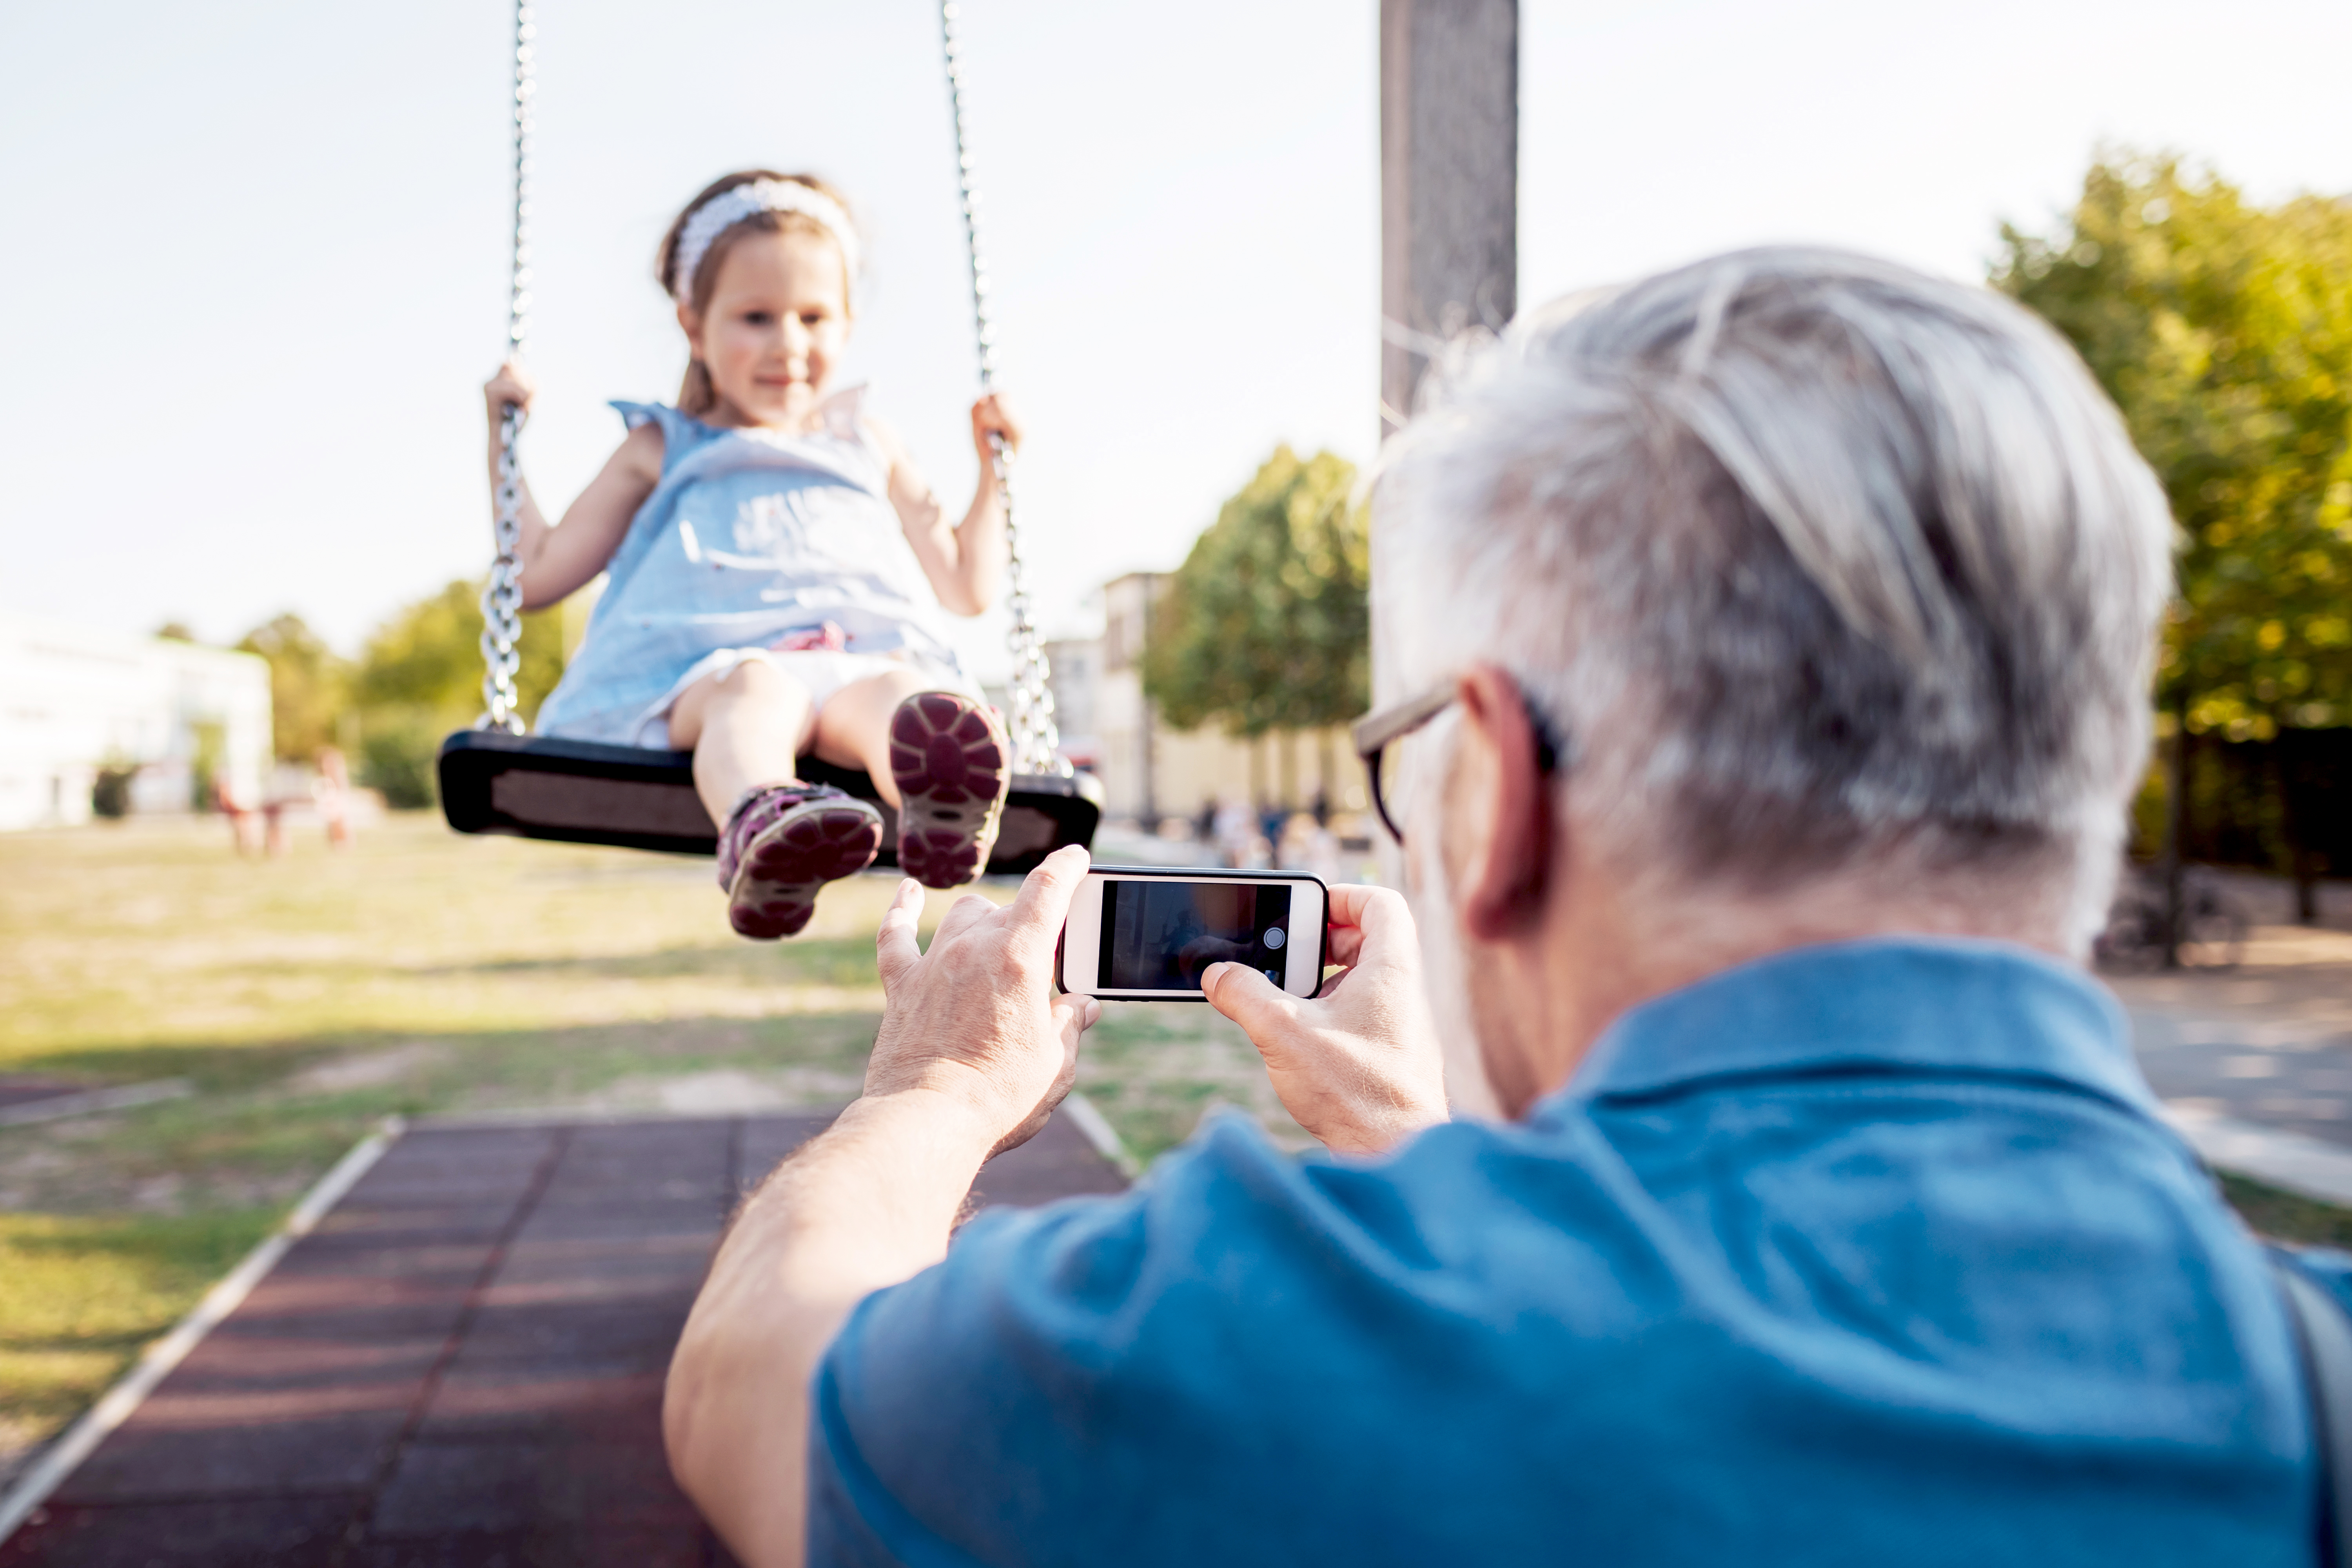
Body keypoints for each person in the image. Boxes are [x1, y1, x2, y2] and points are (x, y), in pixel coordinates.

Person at [664, 250, 2325, 1566]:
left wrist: (936, 1091)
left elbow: (755, 1384)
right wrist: (1428, 1150)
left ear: (1506, 801)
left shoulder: (1233, 1350)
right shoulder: (2307, 1379)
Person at [485, 171, 1022, 940]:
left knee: (900, 695)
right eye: (757, 318)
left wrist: (993, 470)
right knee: (757, 691)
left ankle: (938, 803)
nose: (790, 346)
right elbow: (535, 575)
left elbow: (967, 585)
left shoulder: (870, 440)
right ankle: (767, 822)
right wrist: (502, 440)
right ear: (693, 323)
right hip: (710, 663)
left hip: (857, 660)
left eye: (813, 317)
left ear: (849, 321)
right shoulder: (661, 447)